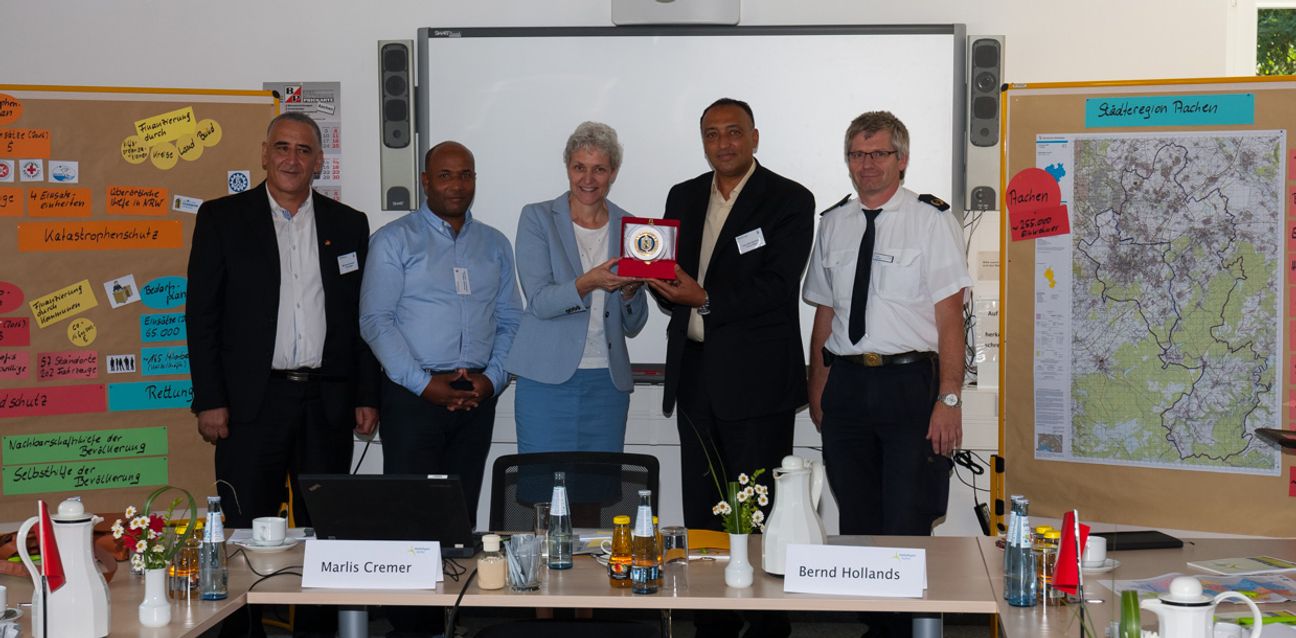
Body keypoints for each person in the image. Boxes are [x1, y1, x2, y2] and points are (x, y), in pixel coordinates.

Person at [186, 111, 380, 638]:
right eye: (283, 147)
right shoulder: (223, 218)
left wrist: (366, 394)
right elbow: (201, 315)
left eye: (304, 150)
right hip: (251, 403)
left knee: (324, 531)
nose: (292, 159)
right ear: (264, 153)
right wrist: (210, 399)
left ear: (319, 161)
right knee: (247, 532)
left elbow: (360, 319)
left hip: (327, 401)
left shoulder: (348, 224)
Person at [648, 98, 813, 638]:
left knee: (760, 512)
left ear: (755, 137)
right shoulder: (683, 195)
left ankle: (769, 626)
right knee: (702, 514)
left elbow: (778, 285)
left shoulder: (789, 199)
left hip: (758, 383)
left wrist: (706, 297)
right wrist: (664, 287)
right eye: (713, 134)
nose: (724, 143)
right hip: (694, 377)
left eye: (734, 132)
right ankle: (710, 625)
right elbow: (674, 280)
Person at [802, 111, 971, 637]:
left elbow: (949, 318)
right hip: (849, 385)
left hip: (908, 387)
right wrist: (817, 388)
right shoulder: (834, 223)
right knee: (857, 521)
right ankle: (878, 627)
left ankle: (906, 629)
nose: (867, 164)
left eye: (878, 154)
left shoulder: (931, 219)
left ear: (901, 159)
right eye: (857, 154)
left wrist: (948, 400)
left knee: (907, 520)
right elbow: (824, 314)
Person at [359, 141, 522, 638]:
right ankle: (408, 623)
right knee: (410, 514)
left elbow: (512, 319)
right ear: (426, 181)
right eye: (446, 175)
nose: (457, 185)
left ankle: (447, 617)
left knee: (458, 514)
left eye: (466, 175)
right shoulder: (394, 241)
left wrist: (493, 378)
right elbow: (375, 321)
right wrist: (423, 383)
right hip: (414, 397)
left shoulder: (494, 243)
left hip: (476, 393)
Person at [506, 121, 648, 455]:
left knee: (596, 495)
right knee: (543, 493)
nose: (588, 179)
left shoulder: (633, 227)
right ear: (567, 167)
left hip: (607, 383)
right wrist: (588, 283)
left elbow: (634, 323)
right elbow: (539, 302)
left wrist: (630, 293)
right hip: (545, 381)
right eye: (579, 168)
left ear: (613, 172)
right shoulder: (537, 218)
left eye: (599, 169)